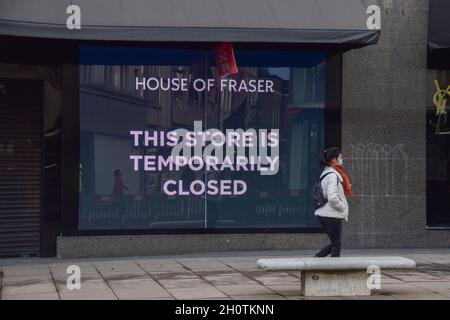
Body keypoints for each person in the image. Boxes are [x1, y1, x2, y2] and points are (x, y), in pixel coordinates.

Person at [314, 147, 353, 257]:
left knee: (334, 243)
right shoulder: (333, 175)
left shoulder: (327, 172)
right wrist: (342, 208)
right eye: (340, 157)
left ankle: (317, 258)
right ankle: (333, 270)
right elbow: (332, 197)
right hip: (331, 214)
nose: (342, 159)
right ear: (334, 159)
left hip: (325, 213)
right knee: (336, 244)